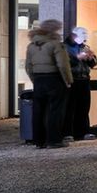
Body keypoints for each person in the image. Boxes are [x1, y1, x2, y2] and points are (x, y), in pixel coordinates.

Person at [24, 19, 73, 149]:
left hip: (38, 80)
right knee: (55, 110)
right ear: (54, 30)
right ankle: (54, 140)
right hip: (54, 79)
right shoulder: (55, 44)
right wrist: (68, 80)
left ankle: (39, 141)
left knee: (38, 111)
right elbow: (63, 65)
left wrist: (35, 80)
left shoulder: (31, 46)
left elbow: (28, 66)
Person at [62, 26, 97, 142]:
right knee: (69, 107)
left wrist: (90, 58)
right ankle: (68, 133)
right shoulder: (64, 47)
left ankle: (83, 132)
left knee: (84, 107)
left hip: (84, 79)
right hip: (72, 79)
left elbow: (94, 63)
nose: (83, 40)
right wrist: (78, 58)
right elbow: (64, 64)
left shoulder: (84, 47)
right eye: (82, 38)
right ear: (73, 36)